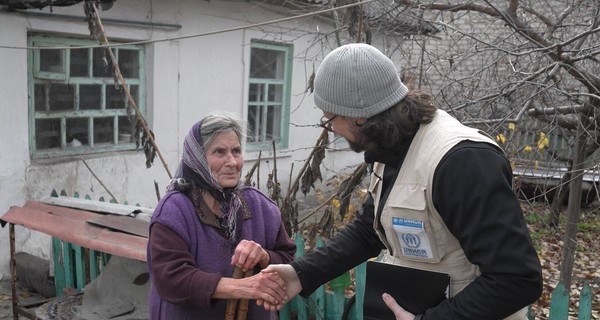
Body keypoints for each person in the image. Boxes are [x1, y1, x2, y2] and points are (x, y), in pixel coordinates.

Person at [262, 43, 543, 319]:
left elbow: (516, 278)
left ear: (359, 116)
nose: (332, 130)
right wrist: (301, 274)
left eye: (331, 119)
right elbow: (370, 230)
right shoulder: (392, 145)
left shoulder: (462, 162)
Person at [147, 112, 296, 319]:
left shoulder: (260, 206)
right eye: (219, 152)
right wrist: (242, 287)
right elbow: (171, 278)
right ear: (197, 159)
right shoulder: (174, 211)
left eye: (236, 151)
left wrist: (264, 257)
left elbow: (289, 260)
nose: (232, 162)